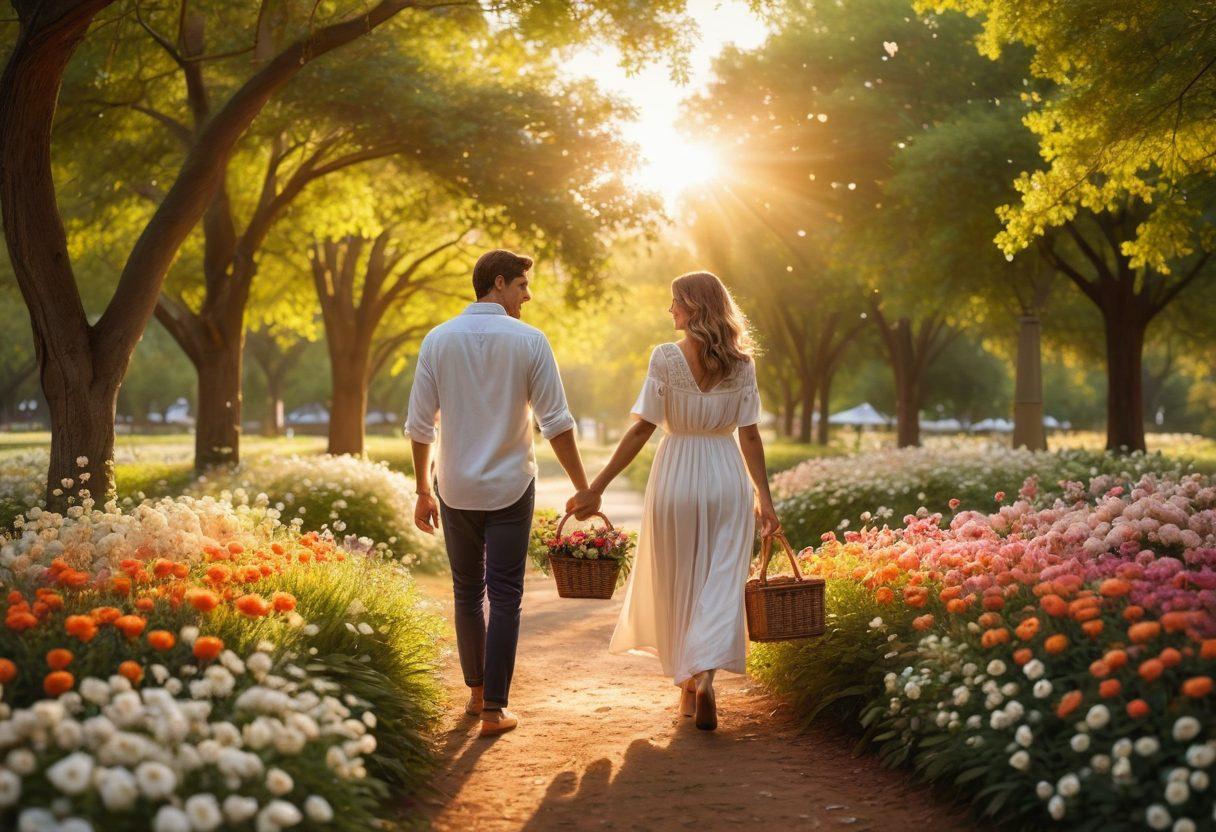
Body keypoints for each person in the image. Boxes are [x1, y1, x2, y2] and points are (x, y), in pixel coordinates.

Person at [406, 249, 600, 737]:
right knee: (506, 594)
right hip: (511, 485)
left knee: (467, 591)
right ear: (498, 283)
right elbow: (556, 423)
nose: (527, 296)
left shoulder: (437, 339)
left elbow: (420, 425)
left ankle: (476, 695)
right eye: (522, 285)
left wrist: (423, 490)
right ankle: (494, 710)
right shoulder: (530, 341)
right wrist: (583, 488)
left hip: (455, 486)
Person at [581, 271, 780, 731]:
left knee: (679, 578)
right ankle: (703, 676)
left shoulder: (666, 357)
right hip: (727, 476)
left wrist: (598, 485)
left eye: (675, 301)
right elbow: (750, 435)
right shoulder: (742, 363)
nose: (670, 309)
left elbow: (641, 429)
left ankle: (689, 684)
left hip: (676, 476)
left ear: (693, 307)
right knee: (720, 581)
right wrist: (764, 500)